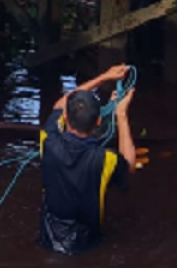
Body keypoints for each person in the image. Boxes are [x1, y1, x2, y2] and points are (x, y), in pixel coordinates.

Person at [39, 64, 137, 255]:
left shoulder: (48, 141)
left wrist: (103, 77)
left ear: (66, 117)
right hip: (85, 244)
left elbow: (59, 104)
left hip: (49, 239)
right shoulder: (105, 159)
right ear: (99, 122)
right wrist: (122, 116)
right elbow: (129, 165)